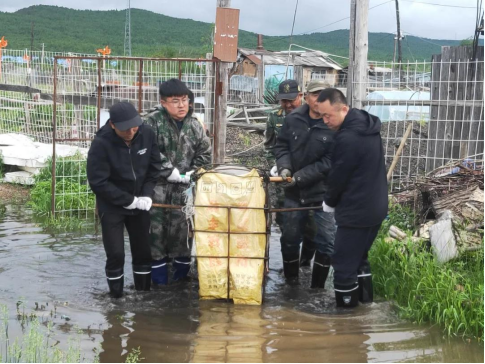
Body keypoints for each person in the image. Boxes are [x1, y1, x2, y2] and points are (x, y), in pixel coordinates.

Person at [87, 102, 168, 298]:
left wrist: (147, 195)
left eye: (134, 127)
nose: (131, 132)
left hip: (140, 200)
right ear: (113, 125)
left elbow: (154, 168)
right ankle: (116, 299)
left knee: (142, 251)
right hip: (112, 204)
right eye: (125, 129)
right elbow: (98, 182)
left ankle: (143, 295)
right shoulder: (101, 143)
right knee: (116, 254)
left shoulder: (146, 134)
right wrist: (128, 200)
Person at [317, 88, 388, 308]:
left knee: (343, 266)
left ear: (344, 109)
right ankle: (366, 308)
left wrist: (329, 202)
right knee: (359, 259)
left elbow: (339, 176)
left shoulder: (348, 138)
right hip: (376, 207)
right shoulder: (368, 125)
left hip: (356, 212)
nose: (325, 120)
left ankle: (346, 324)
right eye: (321, 115)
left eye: (328, 115)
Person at [144, 79, 212, 286]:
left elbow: (205, 154)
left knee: (183, 236)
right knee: (155, 237)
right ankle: (158, 285)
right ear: (163, 102)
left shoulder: (195, 125)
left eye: (185, 100)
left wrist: (192, 174)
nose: (182, 105)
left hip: (185, 192)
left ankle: (181, 285)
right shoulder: (152, 122)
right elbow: (149, 152)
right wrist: (168, 171)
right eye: (175, 101)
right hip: (156, 191)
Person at [274, 80, 336, 288]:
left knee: (326, 242)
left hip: (322, 194)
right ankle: (290, 286)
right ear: (306, 97)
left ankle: (317, 291)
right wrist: (284, 167)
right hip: (293, 194)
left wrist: (299, 177)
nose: (319, 101)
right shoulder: (293, 119)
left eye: (324, 96)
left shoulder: (334, 124)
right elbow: (281, 145)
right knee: (290, 238)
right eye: (315, 95)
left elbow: (330, 161)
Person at [264, 79, 317, 267]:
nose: (287, 105)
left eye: (291, 100)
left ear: (301, 96)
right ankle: (291, 267)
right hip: (283, 179)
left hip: (309, 179)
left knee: (312, 225)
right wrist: (274, 164)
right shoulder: (275, 118)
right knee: (285, 222)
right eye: (283, 101)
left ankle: (305, 262)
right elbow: (270, 146)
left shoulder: (312, 116)